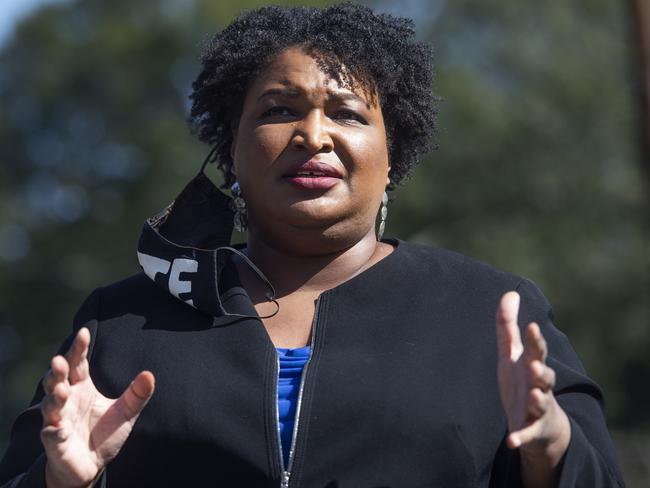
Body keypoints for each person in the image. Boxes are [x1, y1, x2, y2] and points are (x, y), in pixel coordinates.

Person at [0, 3, 624, 487]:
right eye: (279, 110)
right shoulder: (122, 322)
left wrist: (550, 447)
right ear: (232, 151)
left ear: (391, 155)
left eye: (347, 113)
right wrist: (61, 478)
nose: (313, 135)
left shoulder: (495, 315)